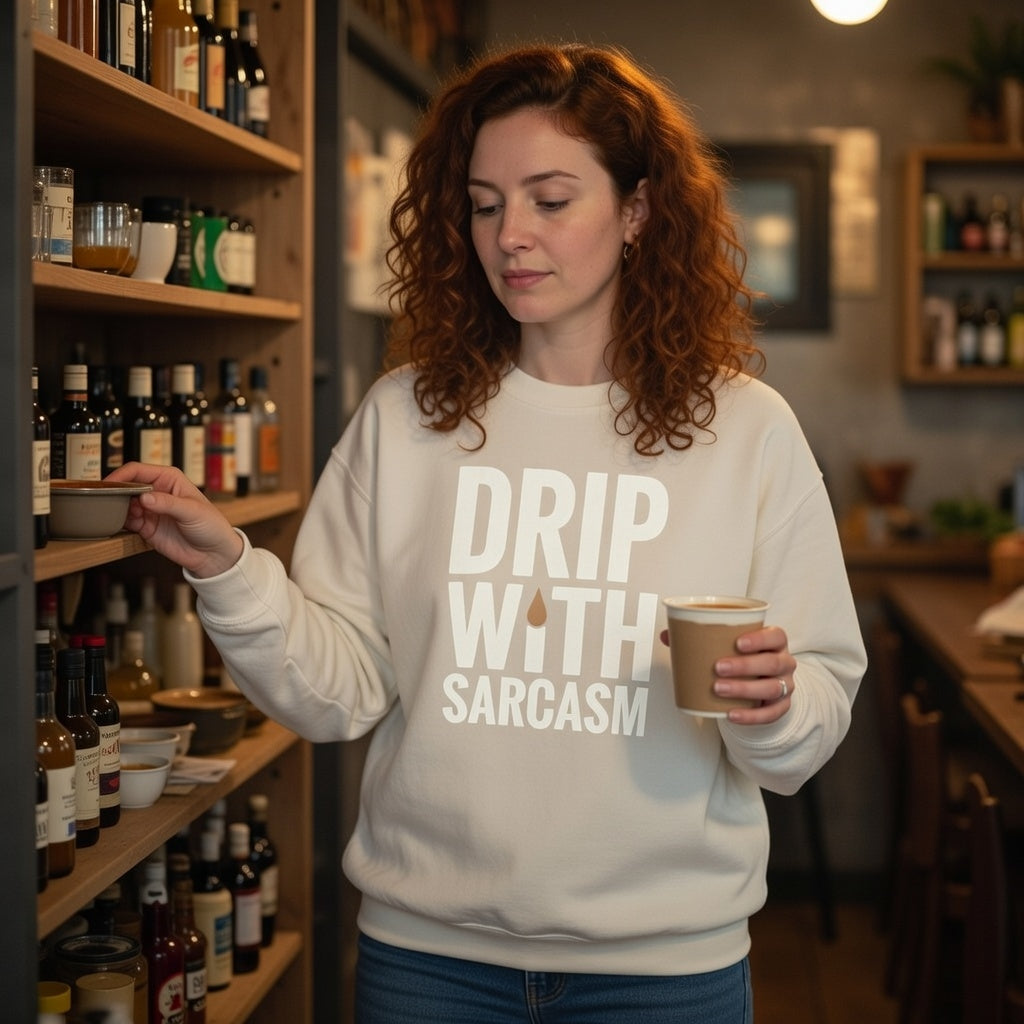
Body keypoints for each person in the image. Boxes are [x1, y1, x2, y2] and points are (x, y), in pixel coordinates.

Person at [109, 42, 866, 1024]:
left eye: (551, 200)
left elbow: (809, 721)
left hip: (666, 973)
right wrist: (229, 569)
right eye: (482, 202)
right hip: (430, 966)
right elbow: (339, 687)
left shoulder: (746, 429)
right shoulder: (402, 416)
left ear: (636, 212)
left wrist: (769, 703)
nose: (511, 233)